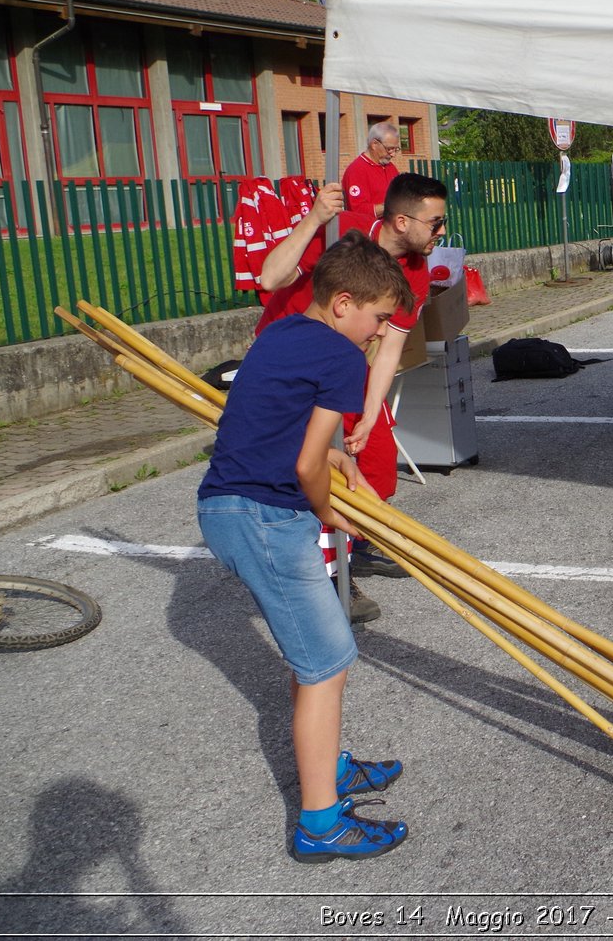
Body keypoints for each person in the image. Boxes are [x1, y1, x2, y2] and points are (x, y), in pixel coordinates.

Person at [197, 232, 414, 862]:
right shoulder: (343, 359)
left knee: (313, 654)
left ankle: (332, 766)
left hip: (232, 507)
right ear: (344, 303)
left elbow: (284, 427)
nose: (380, 333)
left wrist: (336, 462)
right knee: (328, 662)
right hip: (266, 517)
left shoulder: (282, 334)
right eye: (378, 317)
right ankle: (320, 823)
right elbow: (303, 465)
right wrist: (329, 513)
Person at [258, 173, 448, 620]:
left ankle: (354, 541)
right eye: (435, 223)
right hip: (292, 356)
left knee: (377, 463)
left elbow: (390, 349)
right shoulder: (340, 228)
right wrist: (313, 218)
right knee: (313, 464)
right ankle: (327, 572)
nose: (441, 232)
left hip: (347, 363)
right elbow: (270, 277)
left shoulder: (417, 273)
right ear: (402, 221)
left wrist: (368, 412)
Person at [342, 122, 400, 219]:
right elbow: (358, 210)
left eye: (396, 149)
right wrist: (393, 205)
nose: (393, 154)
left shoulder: (390, 167)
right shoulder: (356, 170)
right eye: (389, 149)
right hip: (370, 230)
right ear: (374, 144)